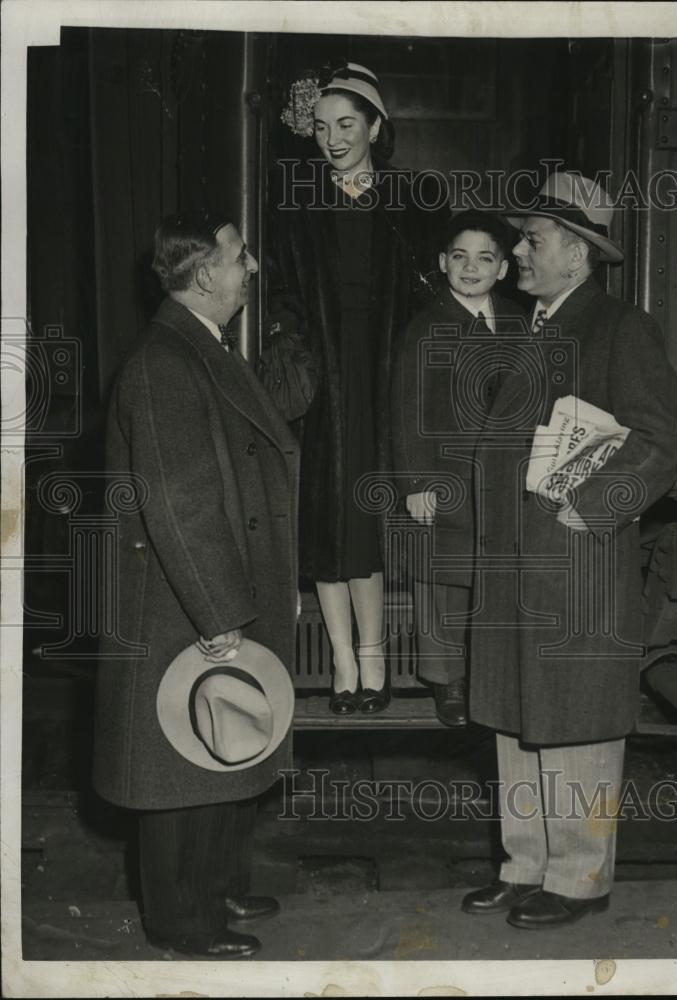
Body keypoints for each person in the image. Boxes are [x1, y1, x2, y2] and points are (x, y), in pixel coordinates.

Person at [462, 174, 677, 927]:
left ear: (578, 253)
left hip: (573, 562)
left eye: (533, 239)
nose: (518, 252)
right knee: (517, 716)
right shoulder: (531, 327)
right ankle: (526, 864)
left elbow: (661, 442)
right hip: (514, 566)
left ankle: (579, 877)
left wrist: (588, 511)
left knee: (575, 720)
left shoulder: (622, 328)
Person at [92, 211, 300, 957]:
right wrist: (219, 612)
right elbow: (179, 505)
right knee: (182, 763)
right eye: (240, 256)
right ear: (207, 273)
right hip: (184, 601)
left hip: (216, 589)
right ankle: (181, 920)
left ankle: (215, 888)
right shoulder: (163, 362)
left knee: (221, 746)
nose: (252, 268)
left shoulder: (200, 347)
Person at [270, 62, 446, 715]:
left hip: (382, 367)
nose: (333, 138)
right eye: (320, 127)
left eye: (346, 124)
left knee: (363, 518)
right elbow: (280, 294)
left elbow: (433, 295)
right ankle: (343, 661)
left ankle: (374, 658)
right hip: (322, 372)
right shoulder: (296, 201)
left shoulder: (414, 199)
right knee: (325, 519)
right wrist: (295, 352)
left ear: (375, 127)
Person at [391, 210, 525, 726]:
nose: (471, 268)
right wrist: (415, 482)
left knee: (487, 577)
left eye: (485, 258)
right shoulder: (426, 326)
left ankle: (486, 672)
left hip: (501, 476)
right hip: (444, 473)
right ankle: (446, 679)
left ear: (503, 269)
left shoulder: (517, 321)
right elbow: (406, 407)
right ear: (443, 262)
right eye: (460, 257)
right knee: (442, 577)